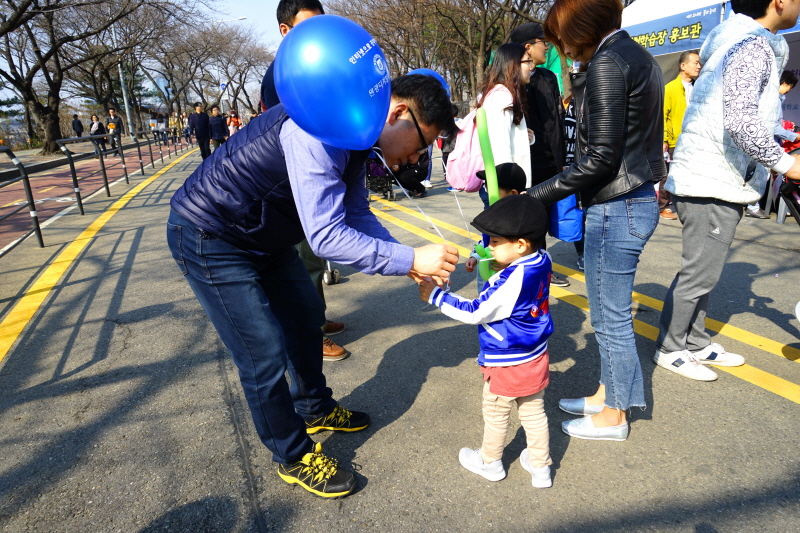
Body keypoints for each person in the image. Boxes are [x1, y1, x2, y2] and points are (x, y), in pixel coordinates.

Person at [166, 74, 457, 498]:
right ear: (398, 114)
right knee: (262, 350)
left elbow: (356, 214)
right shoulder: (319, 127)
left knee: (306, 318)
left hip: (264, 235)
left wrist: (405, 261)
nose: (413, 160)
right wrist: (412, 258)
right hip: (211, 235)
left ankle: (314, 408)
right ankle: (291, 453)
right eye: (418, 147)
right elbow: (325, 238)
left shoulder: (355, 133)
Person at [527, 0, 666, 441]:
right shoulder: (635, 55)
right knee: (611, 314)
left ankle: (615, 416)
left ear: (580, 28)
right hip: (633, 197)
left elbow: (601, 158)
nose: (562, 49)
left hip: (616, 202)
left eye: (562, 38)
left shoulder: (607, 64)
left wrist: (537, 196)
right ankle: (608, 395)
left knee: (610, 318)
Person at [655, 0, 800, 381]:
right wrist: (786, 163)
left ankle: (696, 341)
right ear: (778, 2)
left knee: (706, 270)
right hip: (711, 177)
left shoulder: (739, 41)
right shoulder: (750, 46)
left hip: (715, 175)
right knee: (699, 273)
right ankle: (671, 347)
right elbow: (740, 119)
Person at [419, 193, 553, 488]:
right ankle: (541, 467)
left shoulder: (511, 281)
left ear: (520, 244)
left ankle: (490, 462)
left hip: (507, 361)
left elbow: (475, 311)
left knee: (495, 413)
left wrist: (435, 296)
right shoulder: (542, 258)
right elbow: (508, 266)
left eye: (493, 242)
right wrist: (484, 257)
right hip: (536, 354)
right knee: (533, 412)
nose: (487, 246)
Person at [258, 0, 350, 361]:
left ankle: (318, 321)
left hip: (314, 173)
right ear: (286, 30)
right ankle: (310, 333)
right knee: (306, 257)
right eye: (308, 26)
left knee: (313, 256)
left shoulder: (310, 66)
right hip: (293, 181)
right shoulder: (283, 74)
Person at [466, 162, 527, 292]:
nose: (488, 196)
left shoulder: (523, 222)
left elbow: (529, 252)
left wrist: (511, 263)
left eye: (492, 191)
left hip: (508, 280)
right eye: (487, 190)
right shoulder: (492, 215)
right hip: (488, 276)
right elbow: (485, 242)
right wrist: (475, 256)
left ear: (513, 193)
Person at [747, 69, 800, 218]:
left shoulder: (767, 98)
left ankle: (752, 205)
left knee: (756, 174)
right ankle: (753, 206)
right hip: (767, 143)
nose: (789, 90)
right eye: (789, 86)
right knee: (761, 175)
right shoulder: (774, 99)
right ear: (784, 83)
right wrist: (793, 136)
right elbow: (773, 126)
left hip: (761, 141)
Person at [261, 0, 324, 111]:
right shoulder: (276, 79)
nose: (315, 33)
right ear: (285, 30)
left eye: (320, 25)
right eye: (306, 28)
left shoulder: (332, 57)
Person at [661, 50, 701, 220]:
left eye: (699, 63)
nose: (699, 66)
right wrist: (664, 139)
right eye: (695, 62)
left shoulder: (699, 88)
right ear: (683, 66)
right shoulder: (670, 88)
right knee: (669, 174)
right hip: (675, 140)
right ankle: (663, 206)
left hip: (695, 140)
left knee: (691, 173)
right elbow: (662, 115)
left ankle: (686, 205)